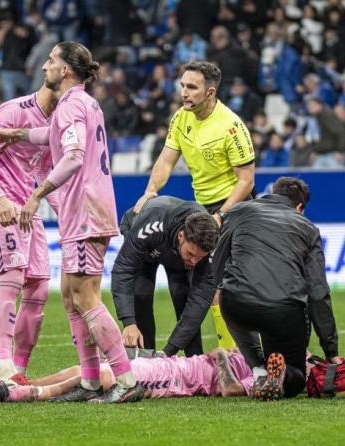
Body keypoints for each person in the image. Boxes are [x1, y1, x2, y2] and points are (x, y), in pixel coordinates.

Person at [0, 41, 142, 404]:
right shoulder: (82, 104)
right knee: (70, 298)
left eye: (51, 61)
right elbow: (51, 136)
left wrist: (37, 195)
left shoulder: (70, 106)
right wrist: (18, 134)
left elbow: (71, 156)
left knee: (85, 298)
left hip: (86, 212)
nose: (45, 67)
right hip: (82, 212)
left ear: (66, 70)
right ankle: (88, 381)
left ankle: (127, 379)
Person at [133, 61, 256, 349]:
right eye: (182, 86)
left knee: (226, 287)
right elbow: (166, 159)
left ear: (210, 92)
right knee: (205, 286)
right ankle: (219, 356)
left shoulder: (231, 126)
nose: (184, 93)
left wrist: (221, 215)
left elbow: (246, 181)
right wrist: (149, 191)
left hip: (234, 209)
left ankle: (234, 355)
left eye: (191, 87)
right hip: (202, 210)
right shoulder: (181, 118)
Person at [213, 177, 340, 401]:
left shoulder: (239, 211)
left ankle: (260, 371)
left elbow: (218, 261)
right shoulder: (308, 228)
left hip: (236, 304)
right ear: (300, 207)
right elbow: (318, 292)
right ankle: (285, 374)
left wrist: (220, 290)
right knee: (296, 376)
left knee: (234, 304)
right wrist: (331, 351)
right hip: (284, 310)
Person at [0, 84, 59, 385]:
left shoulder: (57, 120)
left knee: (40, 287)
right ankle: (4, 365)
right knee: (13, 278)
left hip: (26, 208)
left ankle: (18, 372)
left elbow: (44, 173)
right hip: (1, 205)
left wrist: (64, 212)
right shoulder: (14, 111)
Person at [112, 196, 220, 357]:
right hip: (147, 240)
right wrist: (129, 322)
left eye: (199, 257)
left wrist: (170, 351)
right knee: (141, 294)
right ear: (181, 236)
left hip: (175, 250)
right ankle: (146, 359)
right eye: (191, 254)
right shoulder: (151, 226)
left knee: (183, 295)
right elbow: (123, 270)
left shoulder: (209, 245)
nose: (194, 261)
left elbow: (199, 301)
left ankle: (194, 360)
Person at [0, 348, 253, 402]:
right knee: (82, 369)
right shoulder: (258, 353)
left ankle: (18, 395)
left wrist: (223, 356)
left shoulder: (260, 375)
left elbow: (230, 390)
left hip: (176, 378)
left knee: (103, 376)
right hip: (171, 363)